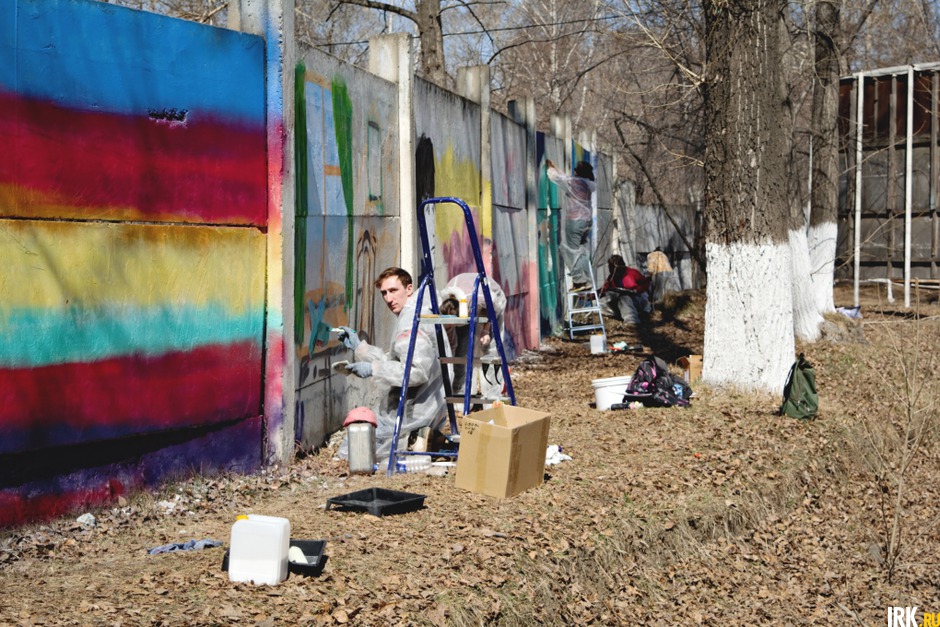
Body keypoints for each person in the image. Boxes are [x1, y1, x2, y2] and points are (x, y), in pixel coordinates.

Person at [335, 267, 446, 462]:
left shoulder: (411, 321)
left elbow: (415, 372)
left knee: (349, 453)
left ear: (409, 289)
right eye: (384, 293)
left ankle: (414, 439)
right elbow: (396, 361)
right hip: (423, 405)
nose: (388, 298)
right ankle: (419, 439)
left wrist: (373, 369)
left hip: (414, 410)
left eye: (393, 290)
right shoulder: (416, 312)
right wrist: (360, 348)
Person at [437, 273, 508, 399]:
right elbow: (452, 342)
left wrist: (485, 331)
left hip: (491, 300)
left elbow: (491, 309)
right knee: (462, 349)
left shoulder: (479, 298)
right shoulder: (443, 301)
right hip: (464, 300)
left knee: (490, 346)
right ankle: (461, 393)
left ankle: (493, 394)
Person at [546, 158, 597, 290]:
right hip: (586, 221)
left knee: (571, 250)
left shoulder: (573, 183)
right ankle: (587, 279)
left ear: (577, 172)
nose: (573, 171)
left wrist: (549, 168)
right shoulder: (587, 184)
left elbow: (556, 178)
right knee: (583, 251)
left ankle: (579, 281)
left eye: (575, 169)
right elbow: (565, 178)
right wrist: (555, 166)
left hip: (575, 221)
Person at [600, 254, 651, 324]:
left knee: (624, 298)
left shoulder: (633, 273)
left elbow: (646, 284)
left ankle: (632, 321)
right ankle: (622, 314)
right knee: (602, 304)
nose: (615, 272)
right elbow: (604, 290)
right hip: (623, 304)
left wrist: (636, 290)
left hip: (638, 299)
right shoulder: (612, 277)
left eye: (617, 270)